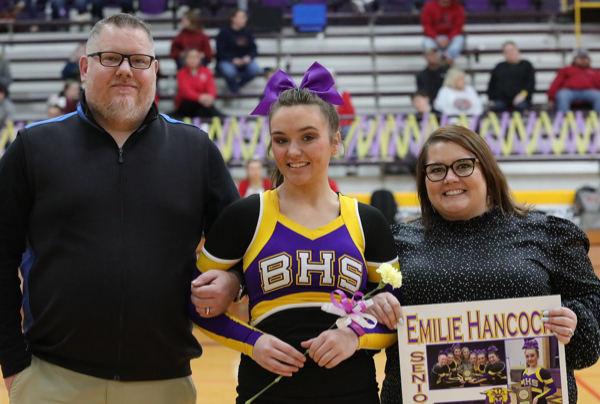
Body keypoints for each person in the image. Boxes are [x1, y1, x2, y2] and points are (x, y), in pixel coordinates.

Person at [0, 13, 243, 404]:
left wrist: (235, 282)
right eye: (110, 58)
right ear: (85, 66)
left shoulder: (196, 151)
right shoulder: (33, 148)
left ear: (155, 70)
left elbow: (242, 246)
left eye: (139, 60)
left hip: (165, 384)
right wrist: (12, 363)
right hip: (52, 381)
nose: (126, 70)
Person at [188, 62, 401, 404]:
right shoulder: (245, 216)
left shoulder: (368, 221)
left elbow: (396, 313)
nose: (294, 152)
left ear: (335, 141)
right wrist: (251, 342)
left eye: (308, 137)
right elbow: (198, 304)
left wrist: (356, 336)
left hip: (354, 394)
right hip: (265, 394)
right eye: (281, 140)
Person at [372, 125, 600, 404]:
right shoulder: (394, 243)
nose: (450, 178)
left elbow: (592, 303)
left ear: (488, 171)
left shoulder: (548, 234)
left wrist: (574, 318)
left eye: (463, 166)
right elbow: (365, 322)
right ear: (424, 180)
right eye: (436, 170)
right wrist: (373, 309)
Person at [216, 8, 260, 94]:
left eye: (245, 17)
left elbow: (253, 49)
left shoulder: (247, 32)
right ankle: (234, 88)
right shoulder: (224, 33)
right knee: (229, 72)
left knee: (255, 69)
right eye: (242, 17)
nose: (245, 19)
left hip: (244, 61)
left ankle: (236, 86)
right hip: (228, 61)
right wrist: (232, 60)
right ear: (233, 18)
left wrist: (248, 57)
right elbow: (220, 51)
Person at [172, 48, 222, 119]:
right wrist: (200, 97)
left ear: (199, 59)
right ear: (186, 59)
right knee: (196, 106)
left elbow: (211, 87)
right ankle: (223, 118)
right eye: (191, 57)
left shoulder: (206, 71)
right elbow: (185, 91)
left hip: (203, 104)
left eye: (195, 57)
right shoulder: (181, 73)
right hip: (187, 105)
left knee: (203, 109)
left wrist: (211, 96)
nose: (193, 60)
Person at [488, 41, 535, 112]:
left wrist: (522, 95)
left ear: (517, 51)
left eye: (511, 50)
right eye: (507, 51)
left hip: (521, 99)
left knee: (521, 106)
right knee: (496, 106)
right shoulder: (499, 67)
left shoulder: (526, 65)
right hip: (501, 100)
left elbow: (530, 84)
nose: (510, 53)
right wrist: (491, 99)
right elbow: (491, 85)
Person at [548, 48, 600, 112]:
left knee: (598, 96)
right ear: (574, 59)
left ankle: (598, 118)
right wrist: (551, 98)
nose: (583, 60)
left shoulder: (594, 72)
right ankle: (565, 118)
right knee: (563, 95)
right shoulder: (566, 69)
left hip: (589, 92)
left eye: (585, 58)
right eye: (580, 58)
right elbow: (556, 83)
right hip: (570, 91)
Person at [421, 0, 465, 65]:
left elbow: (458, 27)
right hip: (435, 37)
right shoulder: (429, 7)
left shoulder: (458, 7)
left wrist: (448, 39)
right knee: (427, 43)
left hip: (451, 37)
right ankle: (437, 61)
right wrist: (436, 39)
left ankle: (447, 60)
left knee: (459, 40)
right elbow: (427, 26)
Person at [521, 339, 557, 404]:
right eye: (527, 356)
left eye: (532, 355)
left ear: (538, 356)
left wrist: (538, 397)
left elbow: (553, 389)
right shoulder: (523, 372)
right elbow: (522, 390)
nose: (529, 359)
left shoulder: (542, 372)